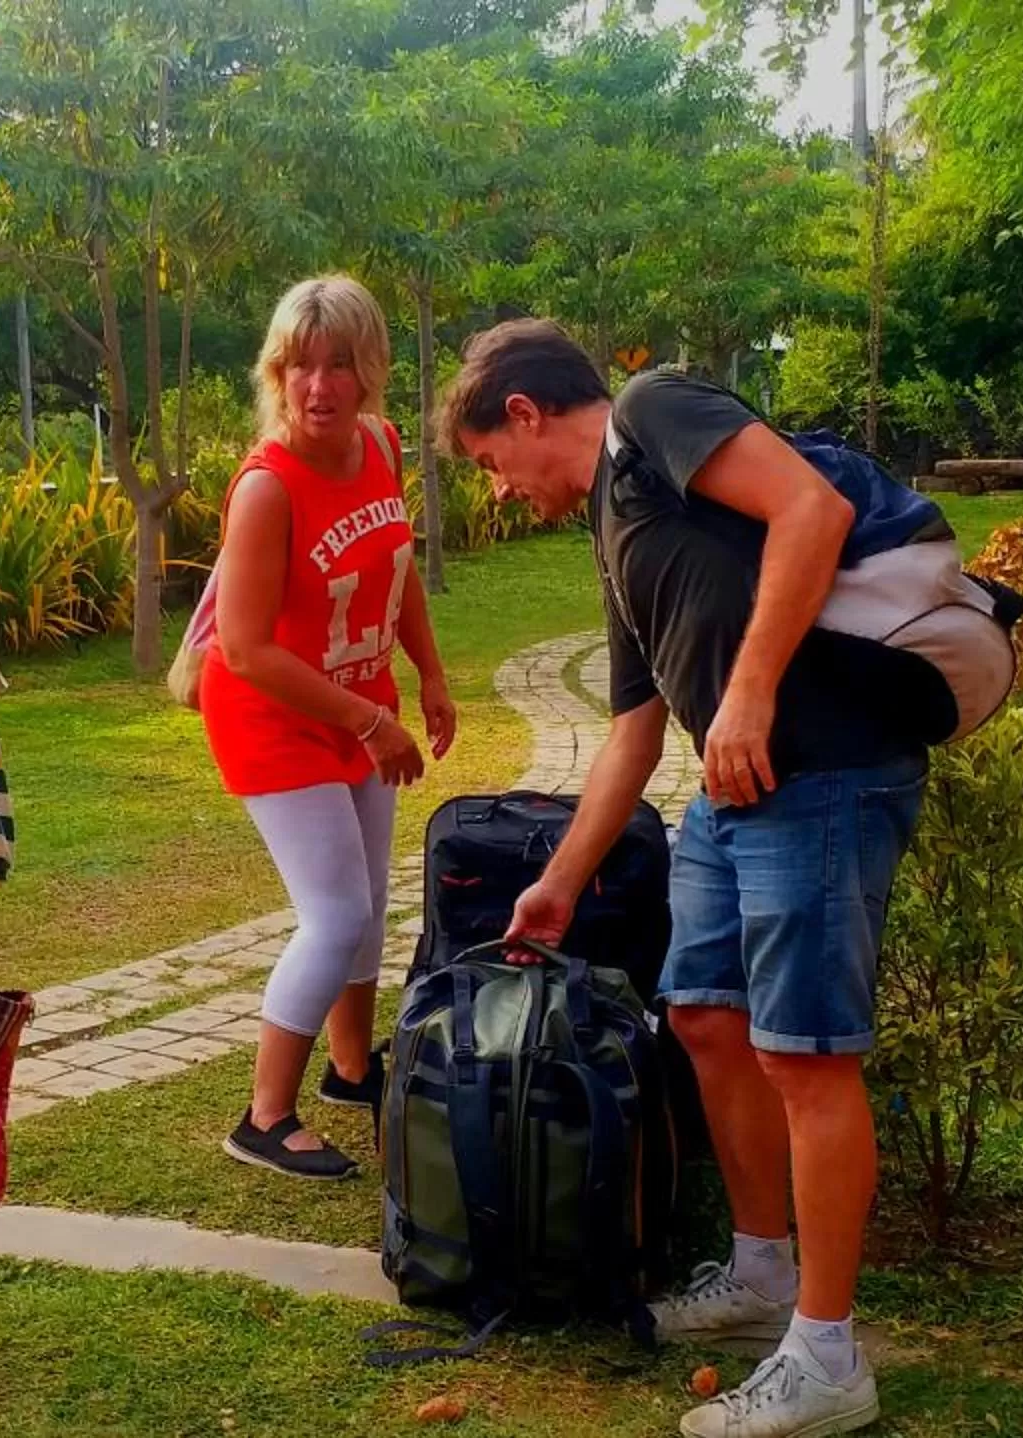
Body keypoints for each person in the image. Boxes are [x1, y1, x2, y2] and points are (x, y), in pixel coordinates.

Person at [441, 319, 930, 1438]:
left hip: (822, 768)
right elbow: (630, 733)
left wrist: (752, 689)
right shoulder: (615, 529)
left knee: (807, 1056)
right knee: (706, 1016)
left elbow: (814, 507)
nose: (499, 490)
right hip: (730, 793)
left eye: (486, 463)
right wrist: (560, 883)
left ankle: (827, 1352)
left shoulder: (654, 408)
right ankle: (762, 1271)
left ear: (521, 413)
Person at [198, 274, 454, 1181]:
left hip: (359, 704)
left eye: (338, 364)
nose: (318, 386)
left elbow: (396, 562)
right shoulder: (268, 489)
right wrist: (372, 720)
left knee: (372, 905)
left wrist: (429, 672)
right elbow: (247, 647)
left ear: (369, 370)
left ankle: (352, 1070)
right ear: (276, 372)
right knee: (336, 913)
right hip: (274, 719)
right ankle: (264, 1116)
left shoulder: (378, 444)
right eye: (299, 365)